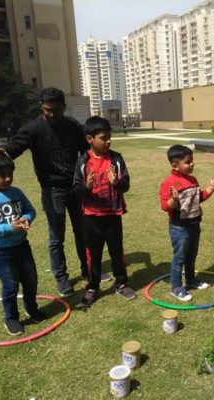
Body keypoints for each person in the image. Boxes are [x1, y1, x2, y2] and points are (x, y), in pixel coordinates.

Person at [0, 87, 110, 298]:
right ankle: (61, 277)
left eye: (56, 110)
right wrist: (6, 150)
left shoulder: (73, 126)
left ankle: (87, 269)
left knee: (83, 232)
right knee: (56, 237)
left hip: (76, 187)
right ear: (41, 107)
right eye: (47, 110)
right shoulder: (34, 128)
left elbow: (87, 150)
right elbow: (18, 143)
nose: (52, 114)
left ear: (64, 107)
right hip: (53, 189)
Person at [0, 153, 45, 336]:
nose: (8, 178)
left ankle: (31, 308)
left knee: (30, 279)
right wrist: (9, 227)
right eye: (2, 175)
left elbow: (30, 210)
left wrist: (26, 219)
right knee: (11, 284)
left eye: (10, 174)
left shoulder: (16, 192)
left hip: (22, 246)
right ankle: (11, 318)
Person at [73, 116, 135, 306]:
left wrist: (116, 183)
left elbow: (126, 184)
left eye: (109, 137)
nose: (108, 141)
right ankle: (93, 287)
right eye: (103, 138)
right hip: (91, 217)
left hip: (113, 216)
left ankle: (121, 283)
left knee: (117, 252)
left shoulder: (116, 159)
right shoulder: (83, 161)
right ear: (90, 139)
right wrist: (86, 186)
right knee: (94, 254)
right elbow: (76, 190)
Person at [159, 145, 214, 301]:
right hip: (179, 227)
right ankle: (176, 287)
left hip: (195, 224)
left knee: (192, 255)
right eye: (188, 162)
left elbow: (199, 198)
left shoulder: (193, 180)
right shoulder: (169, 183)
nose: (192, 164)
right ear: (175, 165)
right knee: (180, 257)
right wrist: (174, 200)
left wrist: (212, 188)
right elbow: (165, 206)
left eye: (192, 161)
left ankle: (190, 280)